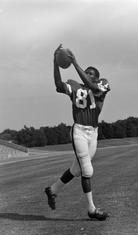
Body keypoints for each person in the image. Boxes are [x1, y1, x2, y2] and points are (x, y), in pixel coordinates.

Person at [44, 44, 110, 221]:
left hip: (93, 133)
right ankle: (91, 209)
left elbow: (93, 87)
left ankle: (52, 190)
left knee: (76, 169)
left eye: (90, 73)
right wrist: (55, 63)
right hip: (79, 130)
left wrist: (74, 63)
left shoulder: (102, 84)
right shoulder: (75, 87)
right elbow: (58, 85)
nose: (87, 74)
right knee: (87, 169)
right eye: (85, 71)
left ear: (96, 77)